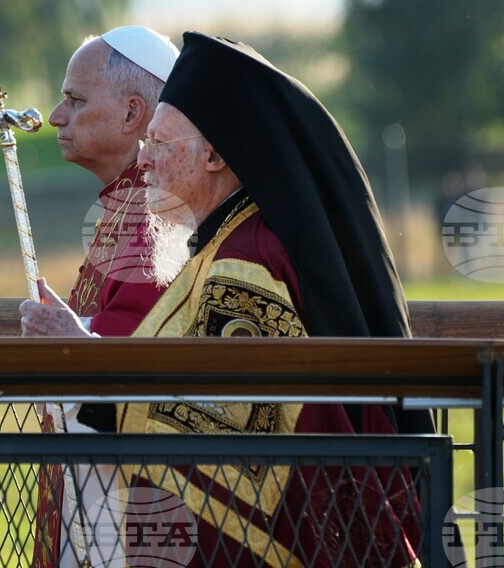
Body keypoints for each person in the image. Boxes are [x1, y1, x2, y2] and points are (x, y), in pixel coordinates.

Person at [21, 32, 427, 567]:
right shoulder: (223, 239)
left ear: (213, 155)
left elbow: (229, 420)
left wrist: (88, 365)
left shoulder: (245, 261)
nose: (145, 162)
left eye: (160, 145)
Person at [32, 26, 179, 568]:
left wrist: (74, 336)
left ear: (131, 114)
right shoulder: (124, 207)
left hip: (131, 502)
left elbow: (143, 352)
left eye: (74, 100)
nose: (55, 116)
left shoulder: (158, 215)